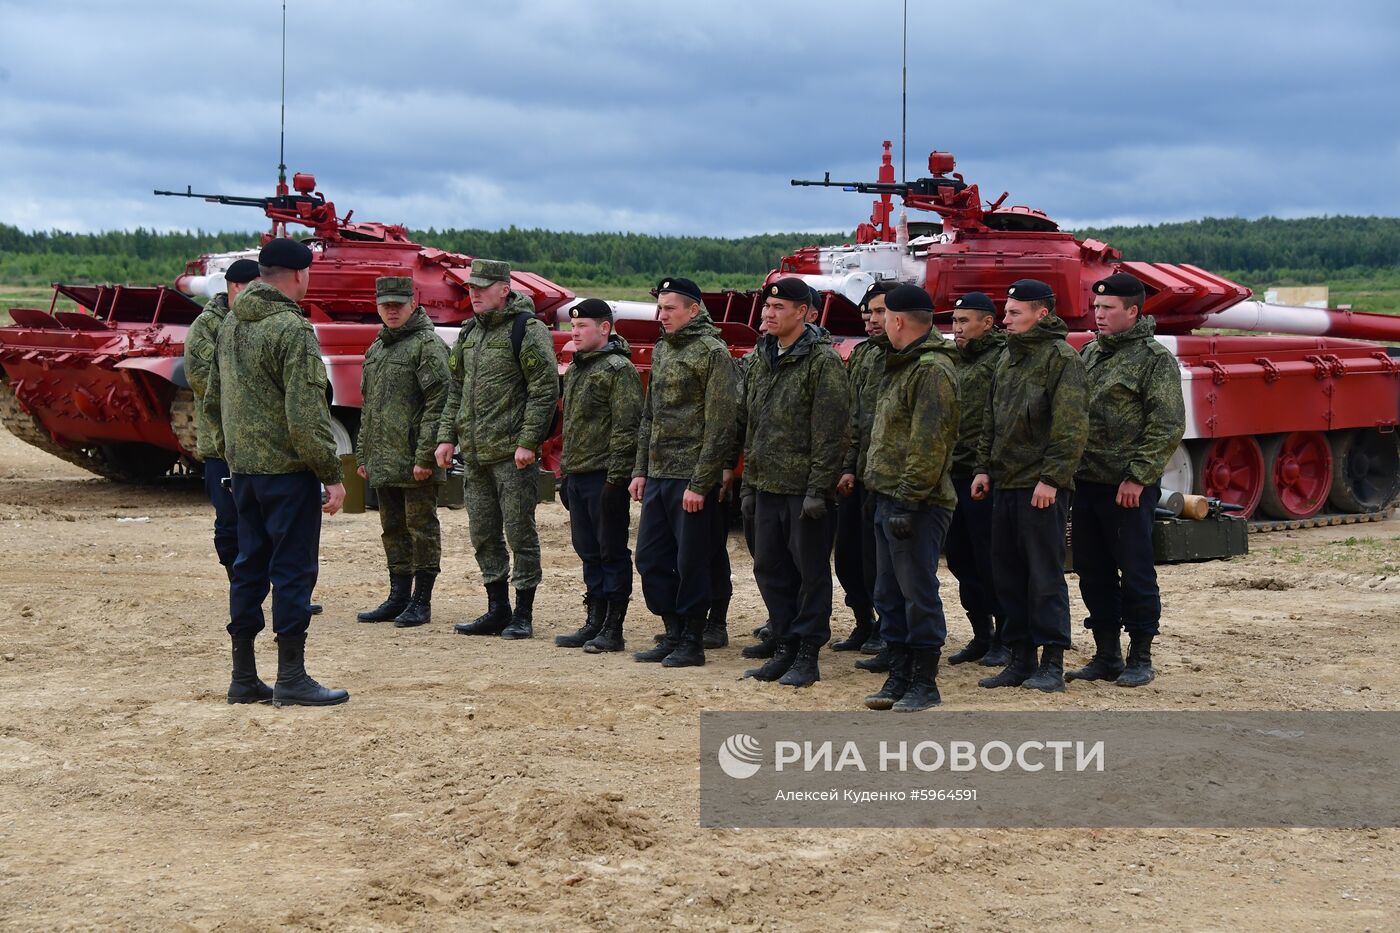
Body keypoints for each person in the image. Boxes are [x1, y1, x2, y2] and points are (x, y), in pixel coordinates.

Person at [204, 237, 348, 707]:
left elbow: (212, 401)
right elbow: (307, 416)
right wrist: (331, 473)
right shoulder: (291, 330)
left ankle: (243, 676)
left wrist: (233, 455)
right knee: (292, 572)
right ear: (302, 276)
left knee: (248, 569)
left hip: (242, 473)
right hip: (286, 476)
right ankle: (292, 676)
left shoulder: (228, 327)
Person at [1068, 272, 1184, 687]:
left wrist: (1137, 477)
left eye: (1108, 309)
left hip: (1127, 487)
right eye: (1096, 307)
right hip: (1087, 481)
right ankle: (1106, 654)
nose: (1098, 314)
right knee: (1091, 569)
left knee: (1134, 571)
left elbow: (1167, 424)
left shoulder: (1155, 360)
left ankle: (1140, 655)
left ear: (1133, 312)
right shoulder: (1090, 353)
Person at [972, 279, 1087, 693]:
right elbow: (992, 417)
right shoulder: (1007, 357)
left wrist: (1052, 479)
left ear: (1042, 313)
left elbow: (1071, 427)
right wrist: (983, 468)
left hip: (1041, 487)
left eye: (1014, 313)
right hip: (1005, 482)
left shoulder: (1061, 359)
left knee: (1043, 576)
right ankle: (1019, 658)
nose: (1005, 319)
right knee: (1008, 574)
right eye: (1005, 312)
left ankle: (1051, 662)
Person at [435, 259, 558, 641]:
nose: (473, 294)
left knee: (520, 533)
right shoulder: (470, 333)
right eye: (470, 288)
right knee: (483, 534)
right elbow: (455, 389)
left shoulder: (527, 330)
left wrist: (528, 441)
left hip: (511, 455)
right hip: (475, 454)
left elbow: (544, 389)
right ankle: (496, 608)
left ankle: (523, 613)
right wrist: (446, 436)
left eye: (482, 288)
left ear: (504, 289)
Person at [736, 277, 849, 687]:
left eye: (779, 307)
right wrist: (748, 486)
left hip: (803, 491)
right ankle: (783, 645)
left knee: (810, 575)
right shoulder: (761, 357)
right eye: (767, 306)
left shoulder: (822, 362)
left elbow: (832, 432)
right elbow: (751, 425)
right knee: (770, 569)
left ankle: (807, 653)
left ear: (803, 313)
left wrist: (819, 491)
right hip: (766, 485)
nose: (768, 313)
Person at [860, 284, 960, 712]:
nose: (878, 322)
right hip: (889, 497)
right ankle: (898, 674)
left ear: (898, 320)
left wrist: (907, 499)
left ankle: (924, 681)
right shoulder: (900, 364)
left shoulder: (931, 370)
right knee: (888, 593)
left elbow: (929, 444)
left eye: (883, 316)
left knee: (917, 593)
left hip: (918, 503)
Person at [629, 277, 737, 668]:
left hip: (691, 477)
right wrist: (641, 469)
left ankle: (693, 637)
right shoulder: (662, 350)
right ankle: (672, 629)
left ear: (694, 310)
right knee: (650, 558)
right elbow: (650, 416)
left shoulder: (712, 353)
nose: (662, 315)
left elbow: (721, 423)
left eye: (670, 308)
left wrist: (701, 481)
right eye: (660, 308)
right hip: (659, 473)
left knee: (692, 561)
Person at [354, 276, 451, 628]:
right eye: (385, 305)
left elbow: (439, 404)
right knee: (392, 528)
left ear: (413, 303)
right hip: (385, 460)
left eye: (398, 304)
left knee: (421, 527)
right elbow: (370, 407)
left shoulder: (427, 346)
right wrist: (364, 454)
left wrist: (425, 456)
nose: (392, 311)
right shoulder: (377, 349)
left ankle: (421, 600)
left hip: (415, 461)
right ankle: (398, 597)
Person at [554, 298, 643, 653]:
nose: (574, 332)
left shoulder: (618, 370)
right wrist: (565, 474)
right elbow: (571, 426)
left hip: (605, 476)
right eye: (572, 327)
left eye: (582, 327)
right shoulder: (576, 369)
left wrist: (617, 478)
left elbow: (627, 427)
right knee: (587, 551)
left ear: (604, 329)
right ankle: (594, 618)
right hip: (578, 474)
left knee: (611, 552)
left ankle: (613, 626)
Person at [184, 257, 259, 579]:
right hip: (221, 442)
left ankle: (277, 586)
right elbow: (201, 378)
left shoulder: (260, 322)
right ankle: (238, 581)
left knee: (266, 519)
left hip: (260, 443)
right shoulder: (207, 326)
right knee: (230, 519)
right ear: (237, 287)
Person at [944, 292, 1008, 666]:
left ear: (987, 322)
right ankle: (980, 632)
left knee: (990, 558)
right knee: (960, 557)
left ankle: (1004, 633)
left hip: (984, 474)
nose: (957, 329)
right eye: (954, 322)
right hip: (953, 472)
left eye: (964, 321)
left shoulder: (1001, 360)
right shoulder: (954, 359)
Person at [833, 281, 893, 656]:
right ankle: (863, 621)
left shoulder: (910, 357)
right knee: (850, 557)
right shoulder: (863, 355)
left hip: (888, 477)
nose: (871, 320)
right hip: (860, 472)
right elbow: (852, 417)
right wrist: (847, 466)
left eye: (880, 312)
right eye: (867, 313)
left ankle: (888, 629)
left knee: (881, 561)